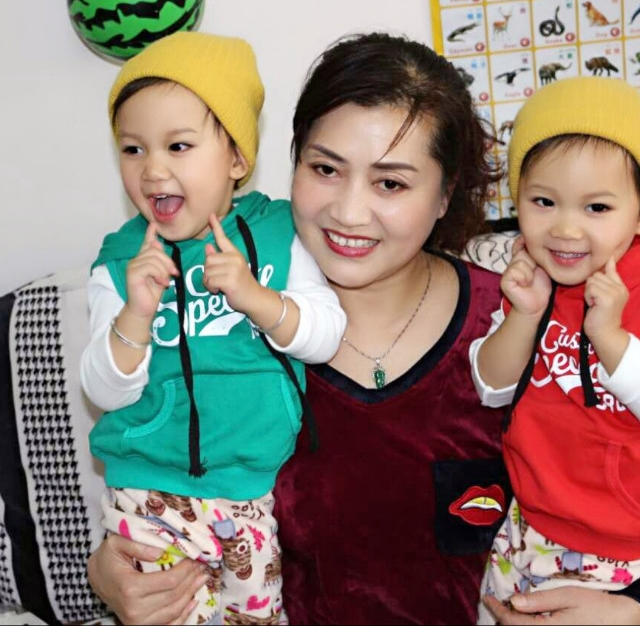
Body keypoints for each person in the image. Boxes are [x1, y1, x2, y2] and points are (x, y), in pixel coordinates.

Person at [86, 34, 640, 625]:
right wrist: (110, 576)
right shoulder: (213, 323)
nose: (348, 213)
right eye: (325, 169)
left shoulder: (522, 318)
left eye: (391, 183)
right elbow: (153, 484)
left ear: (445, 194)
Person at [80, 31, 346, 625]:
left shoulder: (278, 233)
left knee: (255, 616)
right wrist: (135, 316)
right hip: (145, 490)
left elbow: (325, 334)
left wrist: (255, 298)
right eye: (132, 149)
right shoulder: (120, 261)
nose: (153, 170)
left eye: (178, 146)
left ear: (237, 160)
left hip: (249, 489)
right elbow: (102, 390)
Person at [471, 77, 640, 624]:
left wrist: (609, 336)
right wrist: (523, 314)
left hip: (621, 549)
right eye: (543, 201)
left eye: (597, 207)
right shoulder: (529, 276)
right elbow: (491, 388)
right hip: (528, 525)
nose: (565, 228)